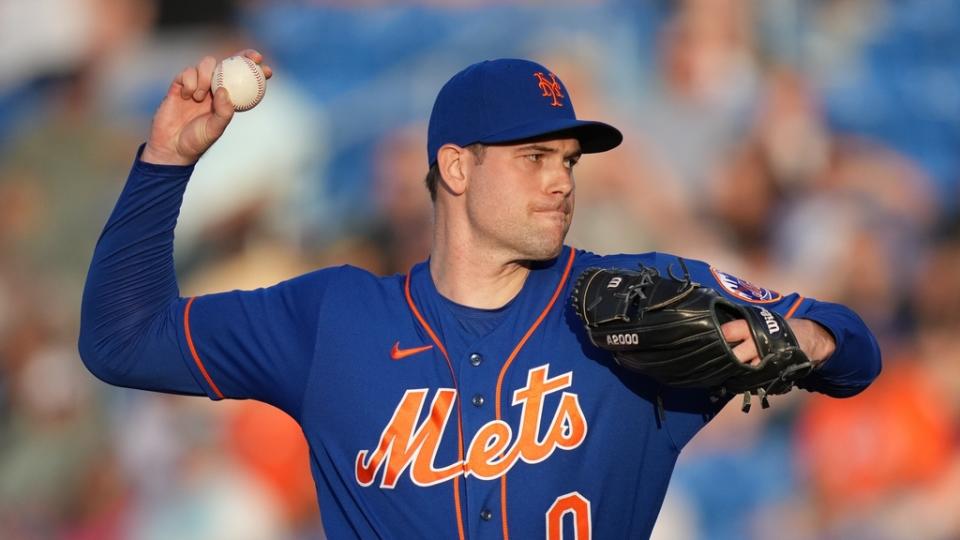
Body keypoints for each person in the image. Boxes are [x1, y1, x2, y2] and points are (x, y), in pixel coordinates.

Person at [79, 50, 881, 539]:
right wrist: (163, 162)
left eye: (568, 160)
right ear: (456, 169)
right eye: (533, 157)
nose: (560, 181)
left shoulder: (631, 299)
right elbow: (122, 339)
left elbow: (854, 348)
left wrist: (807, 343)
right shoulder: (334, 320)